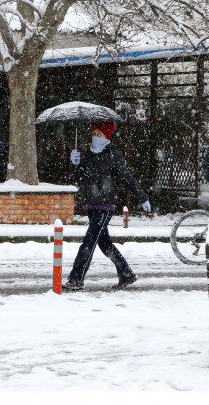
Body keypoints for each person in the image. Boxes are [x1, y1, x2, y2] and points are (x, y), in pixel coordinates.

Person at [63, 121, 151, 291]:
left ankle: (76, 279)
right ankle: (126, 273)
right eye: (94, 133)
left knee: (89, 241)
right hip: (90, 204)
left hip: (105, 205)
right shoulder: (86, 155)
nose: (95, 137)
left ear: (107, 137)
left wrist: (142, 196)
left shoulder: (113, 155)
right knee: (104, 243)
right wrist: (75, 165)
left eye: (100, 134)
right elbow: (79, 180)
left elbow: (127, 177)